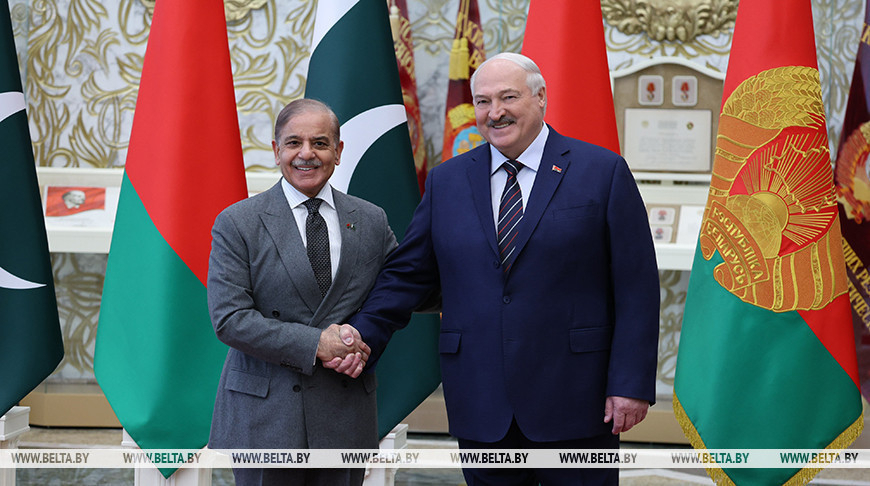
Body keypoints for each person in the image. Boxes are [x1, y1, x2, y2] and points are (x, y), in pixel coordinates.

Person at [335, 53, 660, 485]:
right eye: (483, 101)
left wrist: (630, 384)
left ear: (540, 98)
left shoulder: (602, 172)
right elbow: (407, 275)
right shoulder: (447, 181)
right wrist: (360, 336)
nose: (495, 112)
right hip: (482, 398)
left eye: (508, 97)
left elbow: (636, 288)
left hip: (576, 398)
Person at [207, 98, 397, 486]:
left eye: (320, 143)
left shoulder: (371, 220)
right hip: (266, 416)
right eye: (294, 142)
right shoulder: (238, 222)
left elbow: (398, 290)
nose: (306, 154)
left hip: (344, 411)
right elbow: (230, 319)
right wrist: (317, 344)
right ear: (276, 150)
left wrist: (362, 337)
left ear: (338, 152)